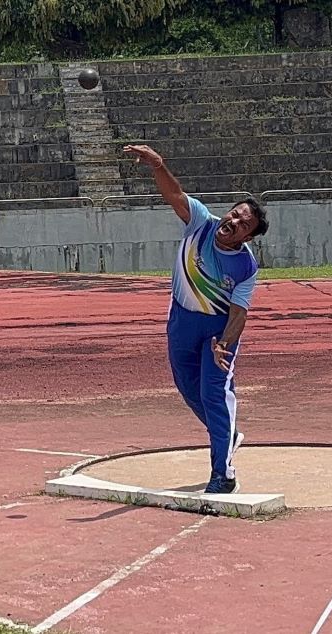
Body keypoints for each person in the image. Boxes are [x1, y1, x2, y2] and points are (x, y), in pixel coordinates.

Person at [123, 144, 269, 494]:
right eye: (235, 214)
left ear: (248, 236)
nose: (233, 222)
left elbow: (239, 311)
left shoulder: (246, 266)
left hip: (217, 333)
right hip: (181, 323)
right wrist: (159, 166)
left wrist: (225, 345)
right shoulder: (202, 222)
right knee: (190, 391)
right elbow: (174, 194)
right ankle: (228, 434)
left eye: (243, 224)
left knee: (215, 394)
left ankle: (223, 475)